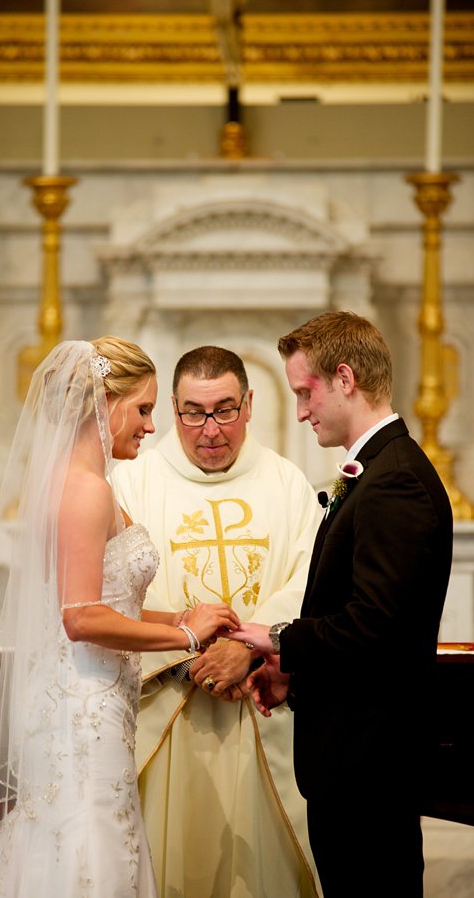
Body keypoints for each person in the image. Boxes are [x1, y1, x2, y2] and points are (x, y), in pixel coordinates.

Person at [0, 337, 239, 898]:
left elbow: (105, 600)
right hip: (82, 709)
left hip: (82, 698)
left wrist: (179, 613)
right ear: (103, 402)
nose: (151, 427)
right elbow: (81, 618)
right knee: (88, 845)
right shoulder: (86, 490)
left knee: (77, 838)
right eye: (144, 409)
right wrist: (183, 635)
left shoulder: (73, 482)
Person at [229, 311, 453, 898]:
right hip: (356, 755)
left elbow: (375, 624)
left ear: (345, 379)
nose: (301, 411)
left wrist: (278, 640)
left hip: (369, 760)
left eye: (306, 392)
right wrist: (291, 672)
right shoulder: (377, 470)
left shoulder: (394, 481)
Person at [112, 345, 322, 898]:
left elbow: (311, 580)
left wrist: (248, 652)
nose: (210, 429)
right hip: (169, 714)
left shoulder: (288, 482)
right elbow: (119, 595)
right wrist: (193, 660)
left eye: (225, 409)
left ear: (249, 405)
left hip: (260, 705)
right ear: (172, 410)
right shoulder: (135, 482)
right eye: (193, 412)